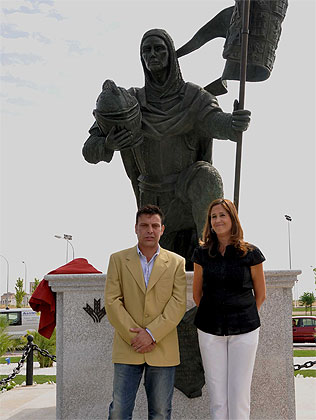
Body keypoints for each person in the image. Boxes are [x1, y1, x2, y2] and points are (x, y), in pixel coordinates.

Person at [83, 29, 251, 267]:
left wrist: (233, 123)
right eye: (146, 50)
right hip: (155, 203)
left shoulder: (194, 97)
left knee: (206, 175)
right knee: (163, 270)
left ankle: (217, 255)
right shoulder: (128, 102)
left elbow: (216, 122)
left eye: (159, 48)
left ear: (171, 54)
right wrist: (108, 143)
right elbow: (89, 150)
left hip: (189, 192)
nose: (152, 54)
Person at [105, 204, 186, 419]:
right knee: (119, 411)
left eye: (154, 225)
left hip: (163, 348)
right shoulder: (118, 260)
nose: (150, 230)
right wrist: (137, 336)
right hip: (127, 346)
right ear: (136, 228)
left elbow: (178, 303)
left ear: (162, 229)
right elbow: (112, 301)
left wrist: (151, 334)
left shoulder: (177, 263)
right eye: (144, 225)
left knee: (160, 412)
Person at [192, 198, 266, 420]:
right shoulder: (202, 254)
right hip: (209, 330)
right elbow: (197, 295)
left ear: (232, 218)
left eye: (222, 215)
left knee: (239, 394)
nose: (217, 220)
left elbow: (260, 295)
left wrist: (242, 315)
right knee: (217, 397)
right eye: (213, 216)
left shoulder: (251, 253)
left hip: (245, 331)